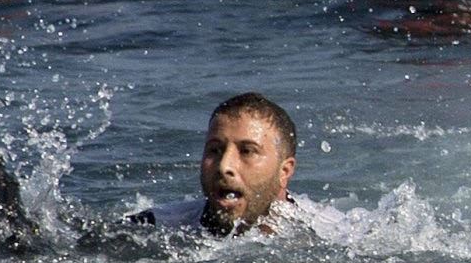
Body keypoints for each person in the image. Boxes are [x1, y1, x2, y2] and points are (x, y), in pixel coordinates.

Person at [133, 93, 337, 239]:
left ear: (284, 171)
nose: (224, 166)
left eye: (247, 151)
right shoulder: (153, 228)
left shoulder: (332, 233)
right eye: (215, 150)